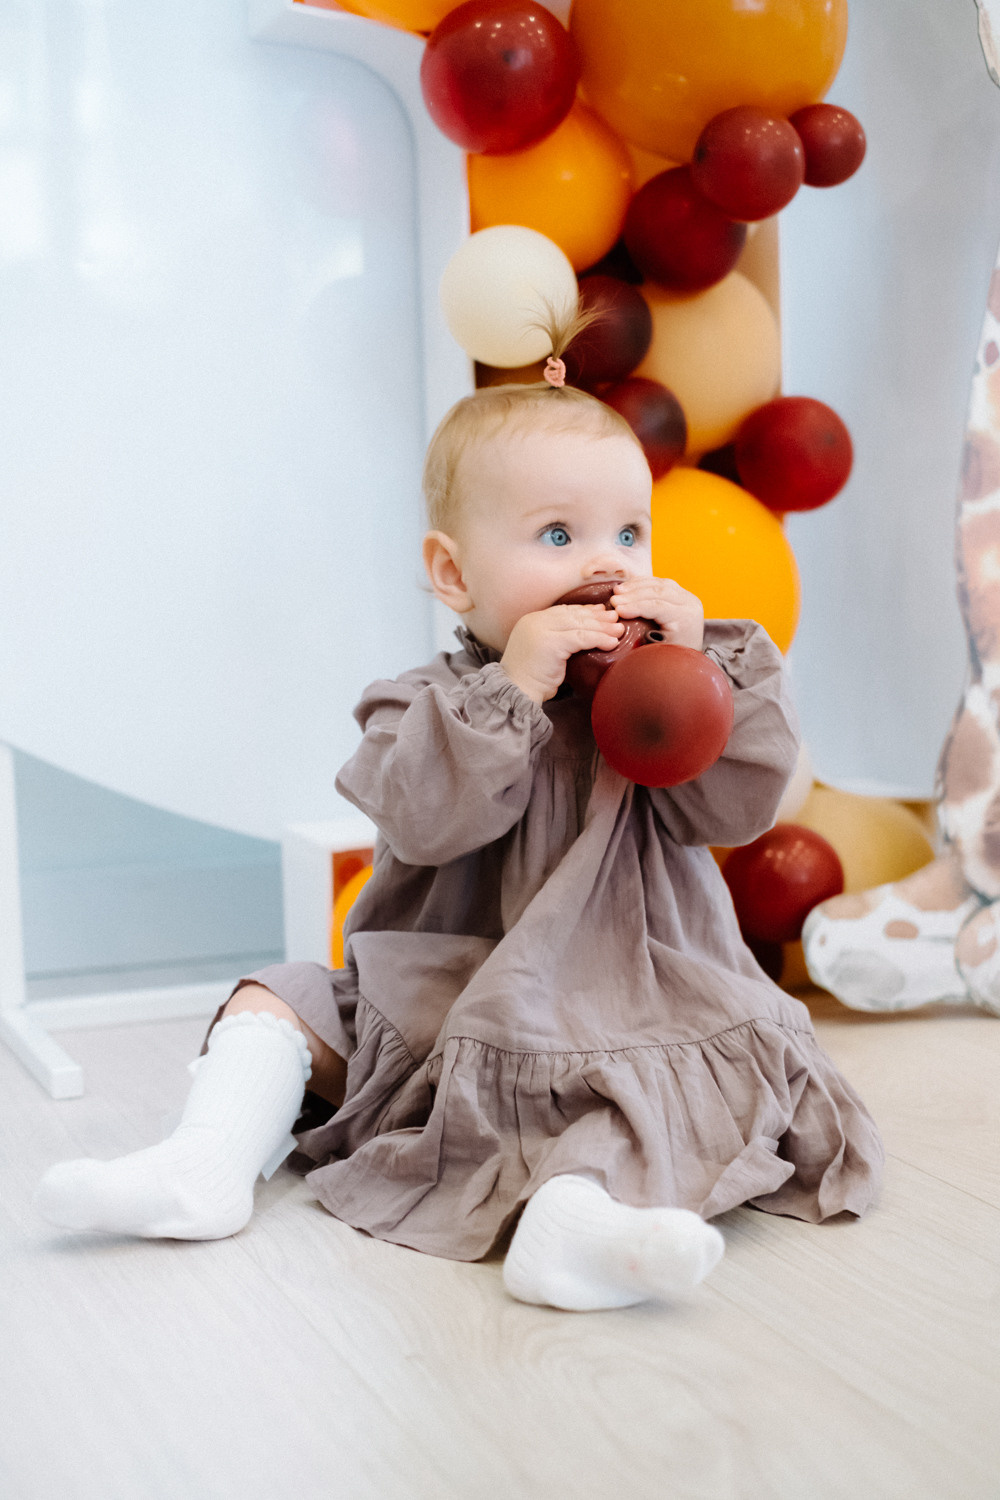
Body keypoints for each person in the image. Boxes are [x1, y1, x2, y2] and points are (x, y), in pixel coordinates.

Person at [35, 319, 883, 1312]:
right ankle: (204, 1161)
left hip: (627, 996)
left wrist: (704, 681)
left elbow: (731, 808)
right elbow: (425, 819)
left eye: (629, 533)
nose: (603, 564)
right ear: (453, 574)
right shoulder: (425, 703)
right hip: (446, 994)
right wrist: (513, 692)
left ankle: (572, 1226)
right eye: (558, 536)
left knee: (631, 1092)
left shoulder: (669, 690)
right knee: (281, 1000)